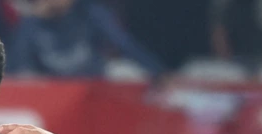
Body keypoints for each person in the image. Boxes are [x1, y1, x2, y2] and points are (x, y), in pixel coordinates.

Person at [10, 0, 165, 77]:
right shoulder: (33, 22)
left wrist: (157, 72)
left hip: (91, 85)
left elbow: (123, 43)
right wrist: (30, 21)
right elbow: (18, 65)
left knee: (124, 71)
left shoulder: (90, 13)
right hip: (53, 89)